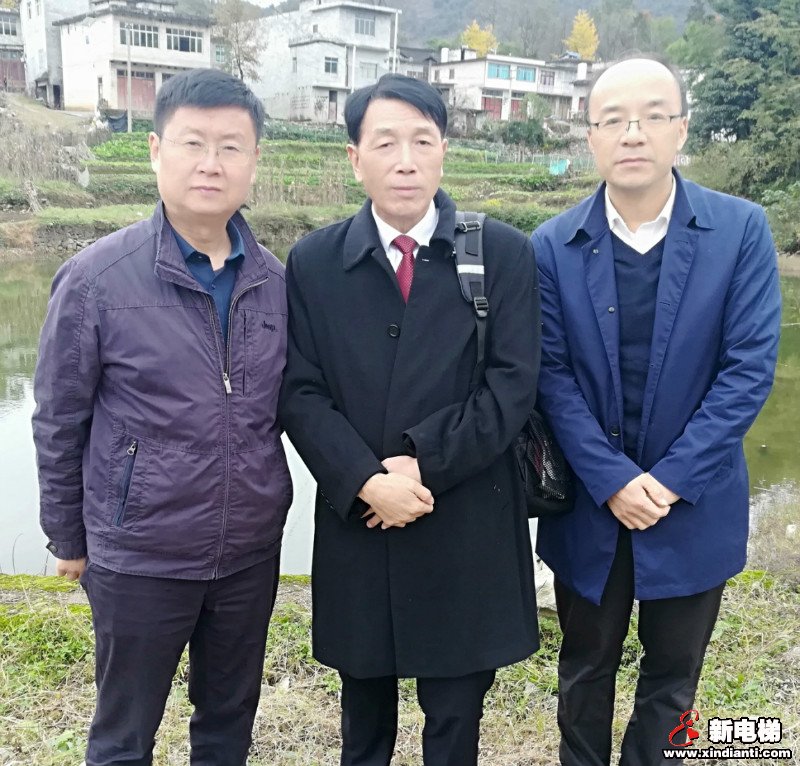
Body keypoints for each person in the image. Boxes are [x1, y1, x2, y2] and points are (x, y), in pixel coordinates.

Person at [32, 68, 292, 766]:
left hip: (248, 552)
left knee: (228, 723)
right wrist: (67, 535)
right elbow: (58, 418)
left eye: (231, 147)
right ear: (155, 151)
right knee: (124, 733)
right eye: (193, 143)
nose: (211, 163)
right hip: (139, 552)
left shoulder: (275, 282)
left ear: (254, 160)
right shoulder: (96, 279)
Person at [278, 73, 540, 766]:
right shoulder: (314, 263)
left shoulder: (502, 253)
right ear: (354, 158)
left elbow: (513, 386)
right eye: (385, 143)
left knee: (455, 718)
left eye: (423, 141)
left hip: (464, 519)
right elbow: (300, 391)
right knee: (363, 717)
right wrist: (366, 480)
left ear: (443, 151)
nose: (405, 161)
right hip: (360, 521)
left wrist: (424, 463)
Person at [532, 56, 782, 765]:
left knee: (674, 675)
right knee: (585, 666)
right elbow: (550, 376)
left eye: (651, 116)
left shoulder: (740, 231)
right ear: (591, 136)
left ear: (681, 129)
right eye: (612, 120)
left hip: (693, 497)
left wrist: (669, 481)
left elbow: (746, 370)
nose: (632, 133)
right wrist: (612, 479)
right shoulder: (552, 245)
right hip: (591, 501)